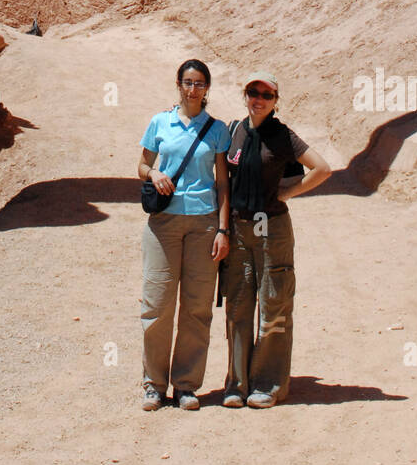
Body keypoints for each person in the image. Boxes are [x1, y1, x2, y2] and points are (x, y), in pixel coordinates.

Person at [221, 70, 330, 408]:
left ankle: (268, 384)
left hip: (271, 228)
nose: (259, 99)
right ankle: (236, 384)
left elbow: (322, 169)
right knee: (238, 305)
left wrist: (290, 193)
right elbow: (223, 180)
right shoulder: (234, 131)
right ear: (245, 95)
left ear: (275, 101)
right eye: (254, 92)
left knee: (273, 304)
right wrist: (222, 228)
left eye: (266, 95)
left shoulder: (282, 136)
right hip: (239, 229)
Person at [137, 59, 231, 410]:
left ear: (207, 88)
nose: (193, 89)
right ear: (179, 84)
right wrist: (154, 175)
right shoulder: (161, 122)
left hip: (205, 224)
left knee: (196, 306)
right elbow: (142, 164)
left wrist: (223, 229)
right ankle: (154, 385)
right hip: (164, 224)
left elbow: (222, 182)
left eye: (199, 83)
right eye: (188, 82)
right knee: (158, 304)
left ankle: (187, 385)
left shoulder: (218, 129)